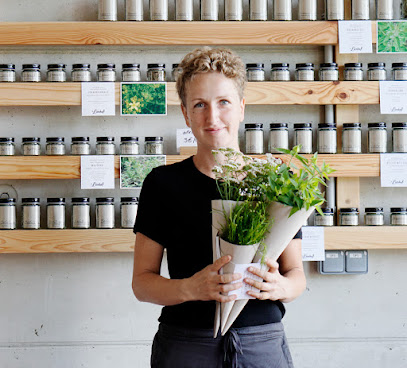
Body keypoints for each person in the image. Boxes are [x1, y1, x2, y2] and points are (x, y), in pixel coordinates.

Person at [132, 47, 306, 368]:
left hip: (261, 341)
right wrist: (190, 288)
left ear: (241, 108)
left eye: (223, 102)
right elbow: (142, 283)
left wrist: (281, 286)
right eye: (200, 105)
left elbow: (297, 276)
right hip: (186, 344)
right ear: (185, 113)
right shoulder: (162, 183)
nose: (212, 118)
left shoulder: (277, 180)